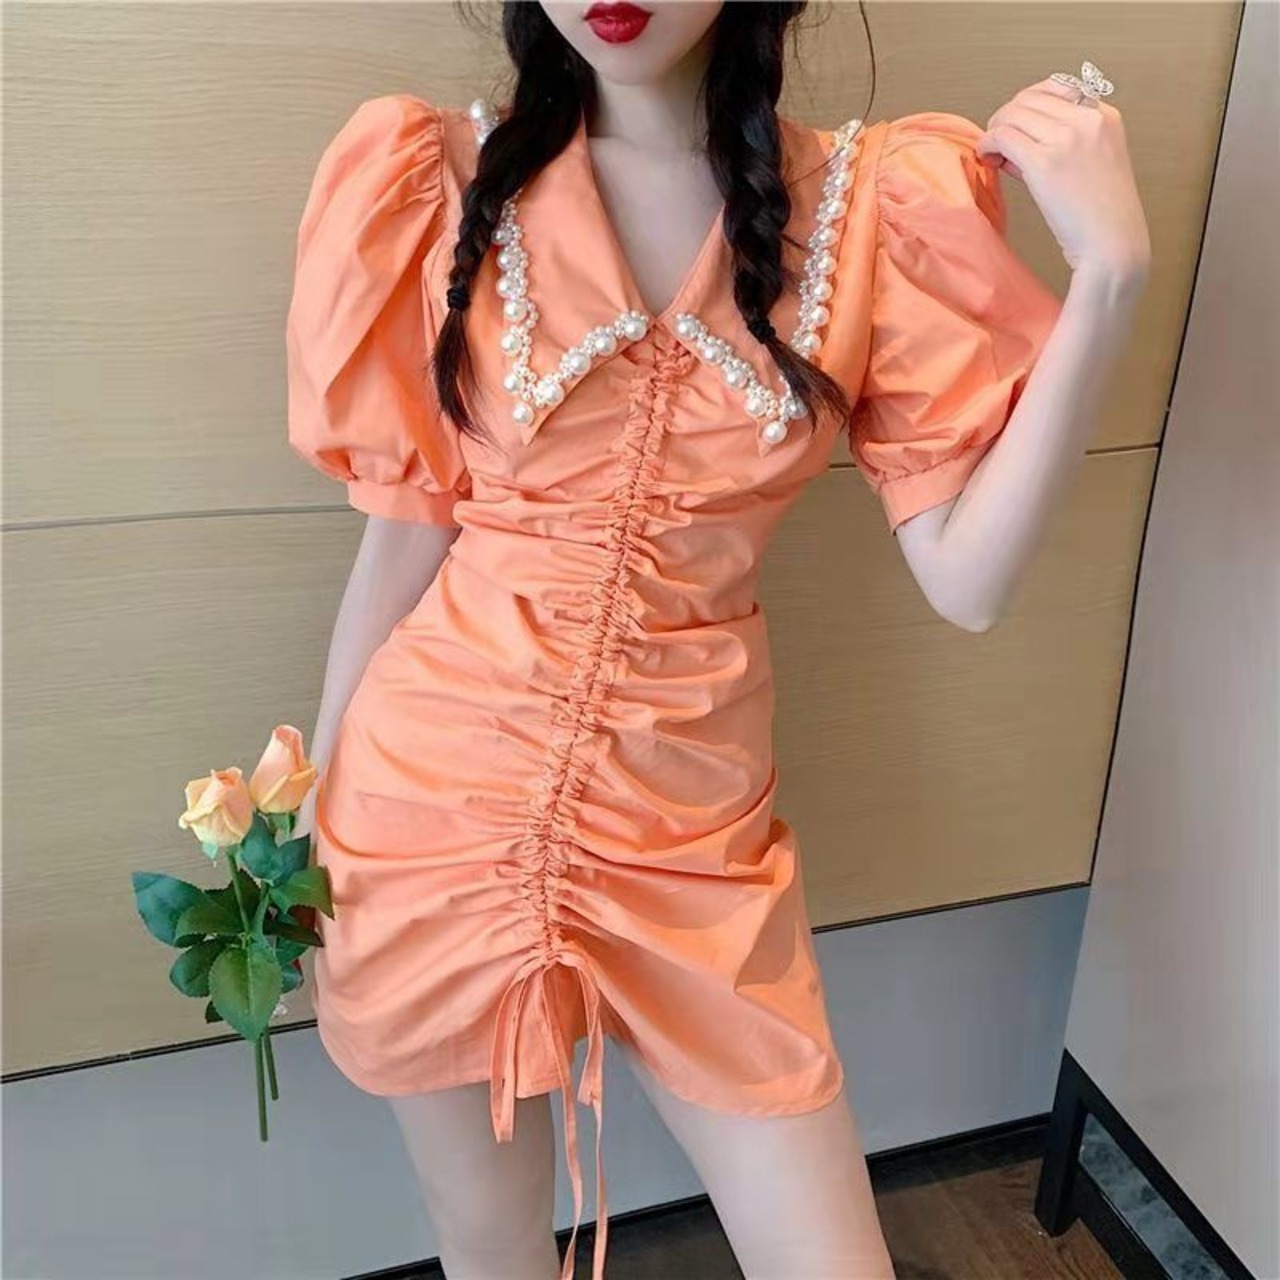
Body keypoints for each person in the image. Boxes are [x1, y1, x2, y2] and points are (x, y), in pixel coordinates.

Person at [285, 3, 1149, 1277]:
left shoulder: (869, 207)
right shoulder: (435, 179)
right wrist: (309, 830)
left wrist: (1108, 279)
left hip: (692, 830)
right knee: (492, 1246)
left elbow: (968, 584)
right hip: (431, 804)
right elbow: (402, 541)